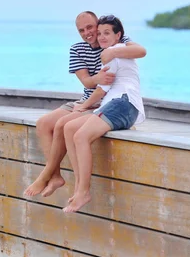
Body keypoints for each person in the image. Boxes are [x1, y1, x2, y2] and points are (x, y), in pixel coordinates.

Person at [23, 11, 146, 198]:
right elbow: (88, 82)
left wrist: (112, 51)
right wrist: (98, 78)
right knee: (43, 123)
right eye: (81, 30)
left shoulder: (113, 41)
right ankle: (54, 175)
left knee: (63, 125)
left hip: (102, 101)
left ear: (97, 25)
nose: (87, 33)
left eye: (90, 27)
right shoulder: (77, 49)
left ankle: (46, 175)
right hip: (87, 98)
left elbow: (140, 51)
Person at [62, 15, 145, 213]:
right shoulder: (112, 53)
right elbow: (103, 87)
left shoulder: (113, 53)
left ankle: (84, 192)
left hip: (124, 104)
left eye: (106, 33)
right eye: (99, 33)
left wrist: (83, 106)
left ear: (119, 36)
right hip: (114, 104)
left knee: (81, 136)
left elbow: (101, 89)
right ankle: (78, 186)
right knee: (69, 128)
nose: (101, 37)